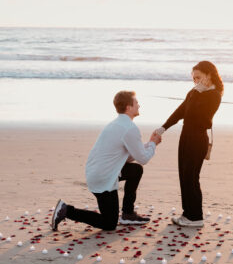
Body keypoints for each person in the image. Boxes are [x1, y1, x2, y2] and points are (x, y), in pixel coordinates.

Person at [51, 91, 161, 231]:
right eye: (136, 103)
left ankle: (127, 214)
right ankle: (66, 211)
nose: (139, 105)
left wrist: (149, 144)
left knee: (135, 170)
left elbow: (129, 156)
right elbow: (143, 158)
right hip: (103, 177)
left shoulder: (117, 124)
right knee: (109, 223)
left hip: (98, 171)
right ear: (128, 107)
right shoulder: (129, 128)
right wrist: (153, 144)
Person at [154, 61, 223, 227]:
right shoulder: (194, 92)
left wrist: (197, 92)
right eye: (193, 78)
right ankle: (187, 214)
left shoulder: (214, 95)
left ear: (209, 75)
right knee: (184, 177)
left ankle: (196, 217)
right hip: (185, 137)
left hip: (198, 139)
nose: (195, 81)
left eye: (198, 77)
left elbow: (195, 115)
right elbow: (181, 111)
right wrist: (163, 128)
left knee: (191, 178)